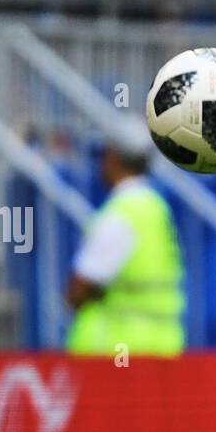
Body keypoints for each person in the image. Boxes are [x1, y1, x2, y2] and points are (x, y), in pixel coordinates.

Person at [66, 118, 185, 358]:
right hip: (161, 346)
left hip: (118, 350)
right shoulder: (155, 208)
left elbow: (79, 290)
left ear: (113, 157)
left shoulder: (121, 214)